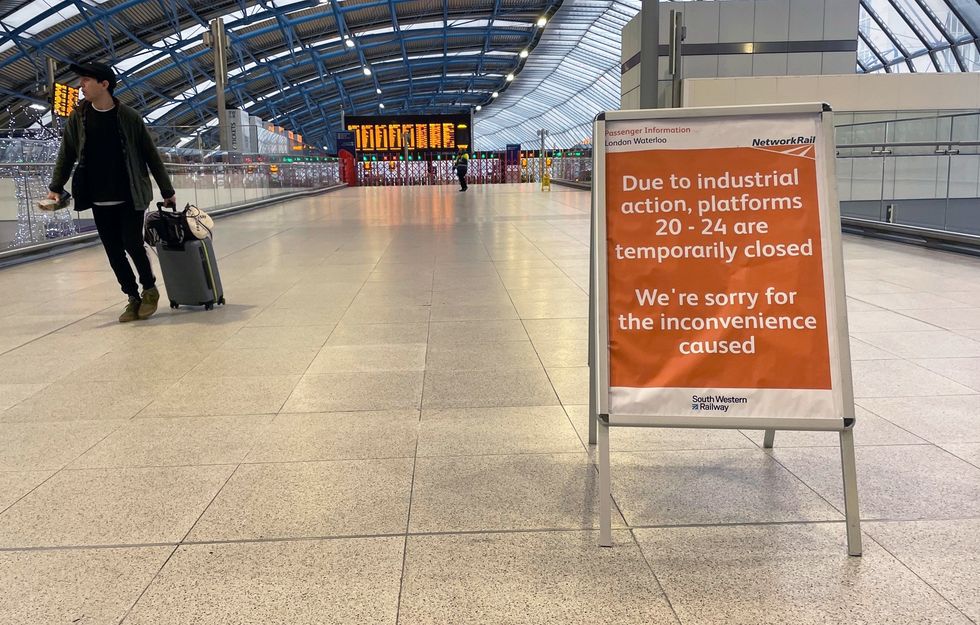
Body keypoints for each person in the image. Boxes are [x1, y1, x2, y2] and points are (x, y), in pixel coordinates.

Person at [47, 62, 176, 322]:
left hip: (130, 194)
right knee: (113, 250)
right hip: (97, 195)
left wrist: (166, 189)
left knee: (132, 243)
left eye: (86, 81)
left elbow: (151, 154)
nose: (81, 86)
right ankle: (132, 297)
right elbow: (67, 153)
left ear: (104, 84)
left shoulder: (129, 116)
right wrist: (56, 186)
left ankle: (149, 289)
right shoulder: (79, 117)